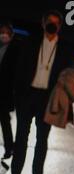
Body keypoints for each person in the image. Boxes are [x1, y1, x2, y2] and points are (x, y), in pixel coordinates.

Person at [1, 10, 72, 174]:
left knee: (41, 141)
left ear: (60, 26)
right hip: (28, 96)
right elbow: (19, 69)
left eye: (56, 23)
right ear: (43, 23)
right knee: (21, 139)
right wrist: (18, 94)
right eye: (49, 22)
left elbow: (66, 77)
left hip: (47, 100)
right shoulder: (31, 42)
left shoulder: (64, 48)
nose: (52, 25)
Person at [0, 22, 20, 159]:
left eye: (6, 32)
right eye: (2, 32)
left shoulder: (14, 50)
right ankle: (9, 147)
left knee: (4, 121)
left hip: (4, 93)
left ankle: (9, 148)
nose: (3, 35)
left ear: (11, 35)